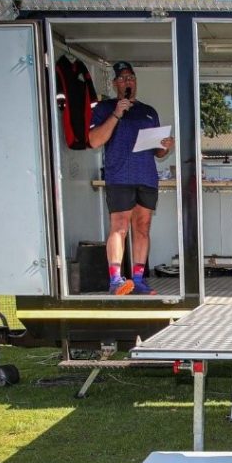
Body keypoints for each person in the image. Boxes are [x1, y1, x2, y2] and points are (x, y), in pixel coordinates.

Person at [89, 61, 175, 296]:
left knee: (143, 227)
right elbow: (95, 140)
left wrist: (165, 146)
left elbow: (157, 152)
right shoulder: (105, 108)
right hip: (119, 176)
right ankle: (115, 280)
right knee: (119, 227)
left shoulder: (149, 111)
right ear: (114, 83)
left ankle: (138, 279)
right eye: (123, 78)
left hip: (146, 177)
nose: (128, 82)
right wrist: (117, 114)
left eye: (131, 78)